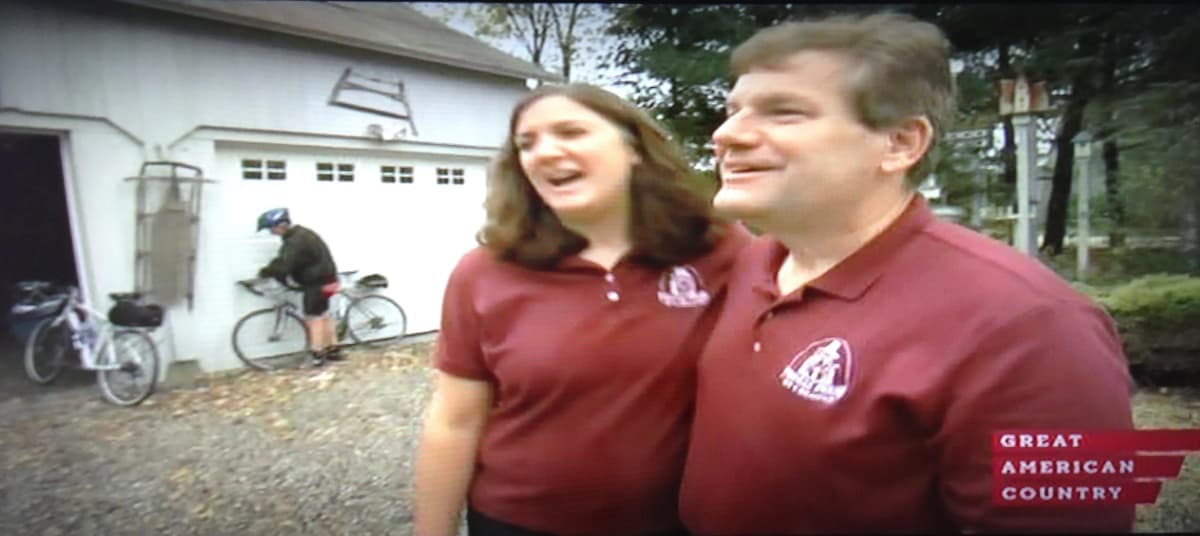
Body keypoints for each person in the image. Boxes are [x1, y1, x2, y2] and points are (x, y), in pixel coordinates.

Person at [677, 12, 1136, 534]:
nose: (726, 135)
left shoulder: (1033, 325)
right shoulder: (752, 266)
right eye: (732, 111)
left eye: (784, 112)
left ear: (900, 144)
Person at [413, 83, 752, 536]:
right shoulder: (484, 272)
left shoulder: (721, 250)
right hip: (519, 521)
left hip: (678, 522)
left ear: (634, 148)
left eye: (570, 132)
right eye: (526, 144)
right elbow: (455, 420)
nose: (544, 152)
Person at [256, 207, 343, 364]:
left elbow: (284, 264)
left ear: (281, 225)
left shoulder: (294, 241)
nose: (271, 232)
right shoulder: (302, 234)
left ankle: (317, 355)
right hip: (329, 279)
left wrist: (265, 273)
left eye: (271, 228)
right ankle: (333, 351)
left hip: (318, 282)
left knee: (314, 317)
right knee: (324, 315)